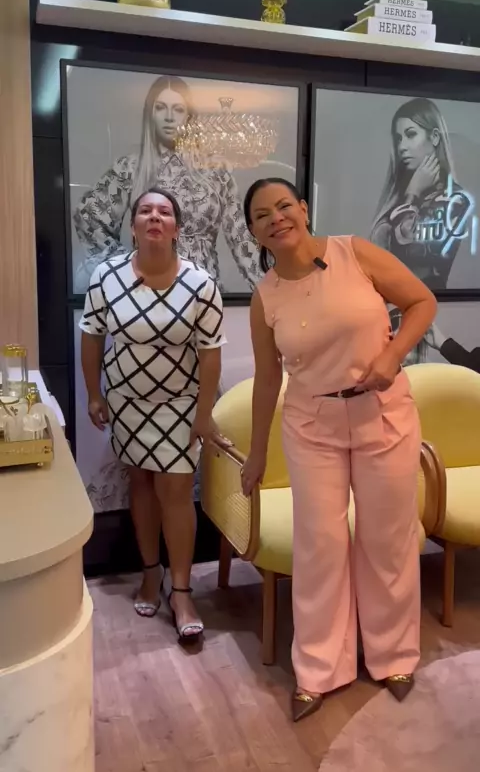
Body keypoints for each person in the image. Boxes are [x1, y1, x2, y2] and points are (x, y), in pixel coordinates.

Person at [240, 178, 437, 722]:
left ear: (304, 209)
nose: (276, 218)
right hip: (312, 426)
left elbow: (421, 301)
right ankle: (319, 668)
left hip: (383, 414)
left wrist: (393, 356)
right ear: (254, 232)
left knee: (387, 538)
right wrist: (256, 453)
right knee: (320, 545)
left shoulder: (356, 253)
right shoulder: (265, 298)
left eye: (284, 206)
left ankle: (393, 655)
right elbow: (266, 380)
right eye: (262, 215)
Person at [79, 187, 226, 641]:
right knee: (140, 483)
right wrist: (94, 394)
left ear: (177, 228)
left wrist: (204, 414)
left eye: (164, 212)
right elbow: (92, 336)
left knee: (176, 491)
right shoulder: (106, 276)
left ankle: (181, 591)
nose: (155, 217)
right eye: (145, 211)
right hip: (126, 402)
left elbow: (211, 354)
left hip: (180, 405)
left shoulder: (200, 284)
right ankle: (150, 573)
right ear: (133, 226)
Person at [73, 75, 260, 293]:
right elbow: (89, 217)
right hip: (146, 292)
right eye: (161, 108)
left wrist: (270, 292)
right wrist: (125, 267)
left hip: (203, 293)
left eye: (178, 109)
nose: (170, 117)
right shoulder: (132, 167)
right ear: (150, 113)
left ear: (189, 115)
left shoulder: (214, 171)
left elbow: (242, 239)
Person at [370, 97, 475, 290]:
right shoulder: (396, 195)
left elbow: (408, 251)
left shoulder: (455, 200)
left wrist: (413, 193)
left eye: (410, 135)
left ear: (434, 137)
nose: (402, 147)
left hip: (431, 302)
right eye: (398, 138)